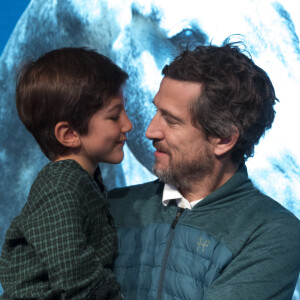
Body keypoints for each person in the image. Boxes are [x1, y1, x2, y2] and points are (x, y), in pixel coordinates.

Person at [109, 39, 300, 300]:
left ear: (223, 139)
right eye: (157, 111)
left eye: (172, 120)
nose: (150, 131)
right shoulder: (112, 206)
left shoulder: (273, 234)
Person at [0, 47, 132, 299]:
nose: (128, 124)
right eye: (114, 116)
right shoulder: (60, 187)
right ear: (69, 134)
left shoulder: (83, 179)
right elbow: (74, 274)